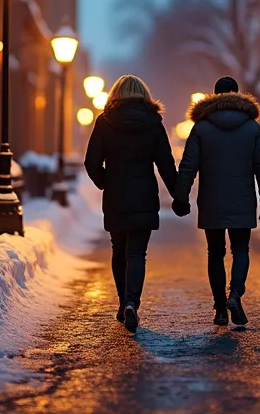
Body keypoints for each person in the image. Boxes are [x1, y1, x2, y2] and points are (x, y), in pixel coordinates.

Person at [172, 76, 260, 327]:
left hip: (211, 201)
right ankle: (235, 294)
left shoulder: (202, 128)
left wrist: (181, 197)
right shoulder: (252, 128)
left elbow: (188, 166)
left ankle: (220, 308)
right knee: (240, 250)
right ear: (238, 95)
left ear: (214, 95)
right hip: (242, 200)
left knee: (215, 253)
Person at [84, 75, 178, 332]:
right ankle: (131, 303)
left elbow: (91, 162)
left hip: (116, 195)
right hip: (144, 194)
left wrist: (106, 181)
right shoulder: (153, 123)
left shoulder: (105, 122)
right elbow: (165, 163)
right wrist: (178, 195)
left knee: (119, 250)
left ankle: (122, 302)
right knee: (137, 252)